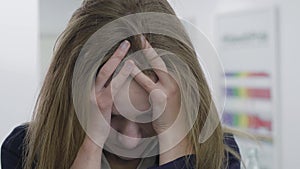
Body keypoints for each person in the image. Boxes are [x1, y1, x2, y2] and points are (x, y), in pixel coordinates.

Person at [1, 0, 240, 169]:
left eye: (149, 116)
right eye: (113, 117)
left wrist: (175, 141)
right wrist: (90, 146)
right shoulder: (25, 150)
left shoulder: (220, 153)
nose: (130, 141)